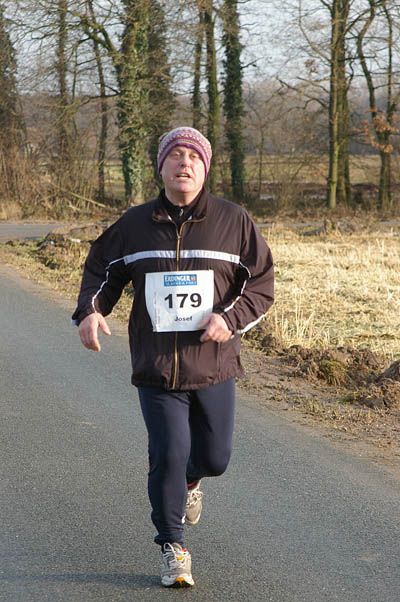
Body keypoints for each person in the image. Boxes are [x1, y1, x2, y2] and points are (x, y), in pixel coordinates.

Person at [72, 126, 274, 588]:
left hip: (213, 363)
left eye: (194, 157)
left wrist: (229, 318)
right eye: (176, 155)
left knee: (215, 458)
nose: (185, 163)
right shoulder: (134, 224)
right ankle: (172, 545)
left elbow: (260, 284)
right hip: (157, 366)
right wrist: (91, 311)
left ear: (205, 169)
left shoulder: (233, 221)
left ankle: (189, 483)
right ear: (161, 166)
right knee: (169, 452)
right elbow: (101, 270)